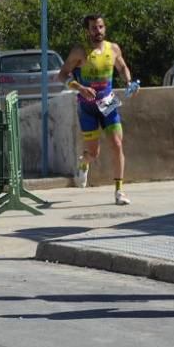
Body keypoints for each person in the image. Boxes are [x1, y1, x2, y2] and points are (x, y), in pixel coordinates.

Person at [56, 14, 138, 205]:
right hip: (87, 107)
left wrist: (129, 82)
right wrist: (80, 88)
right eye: (93, 28)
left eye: (100, 27)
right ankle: (84, 162)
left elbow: (123, 67)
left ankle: (119, 191)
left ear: (105, 28)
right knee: (94, 154)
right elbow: (61, 75)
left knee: (117, 144)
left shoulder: (113, 48)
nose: (98, 31)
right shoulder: (79, 51)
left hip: (108, 103)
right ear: (87, 30)